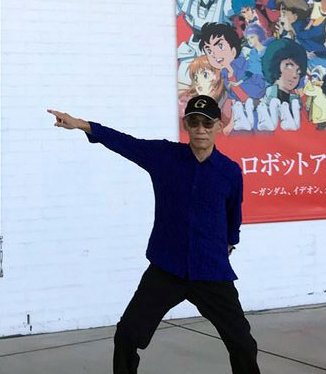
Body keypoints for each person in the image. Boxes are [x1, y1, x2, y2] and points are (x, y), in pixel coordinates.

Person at [47, 97, 261, 374]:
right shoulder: (164, 156)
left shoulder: (229, 171)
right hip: (166, 269)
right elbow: (126, 143)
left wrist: (231, 241)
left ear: (218, 126)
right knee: (127, 335)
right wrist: (83, 126)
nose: (200, 129)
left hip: (211, 272)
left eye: (207, 123)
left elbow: (234, 213)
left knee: (243, 344)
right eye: (194, 122)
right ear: (186, 125)